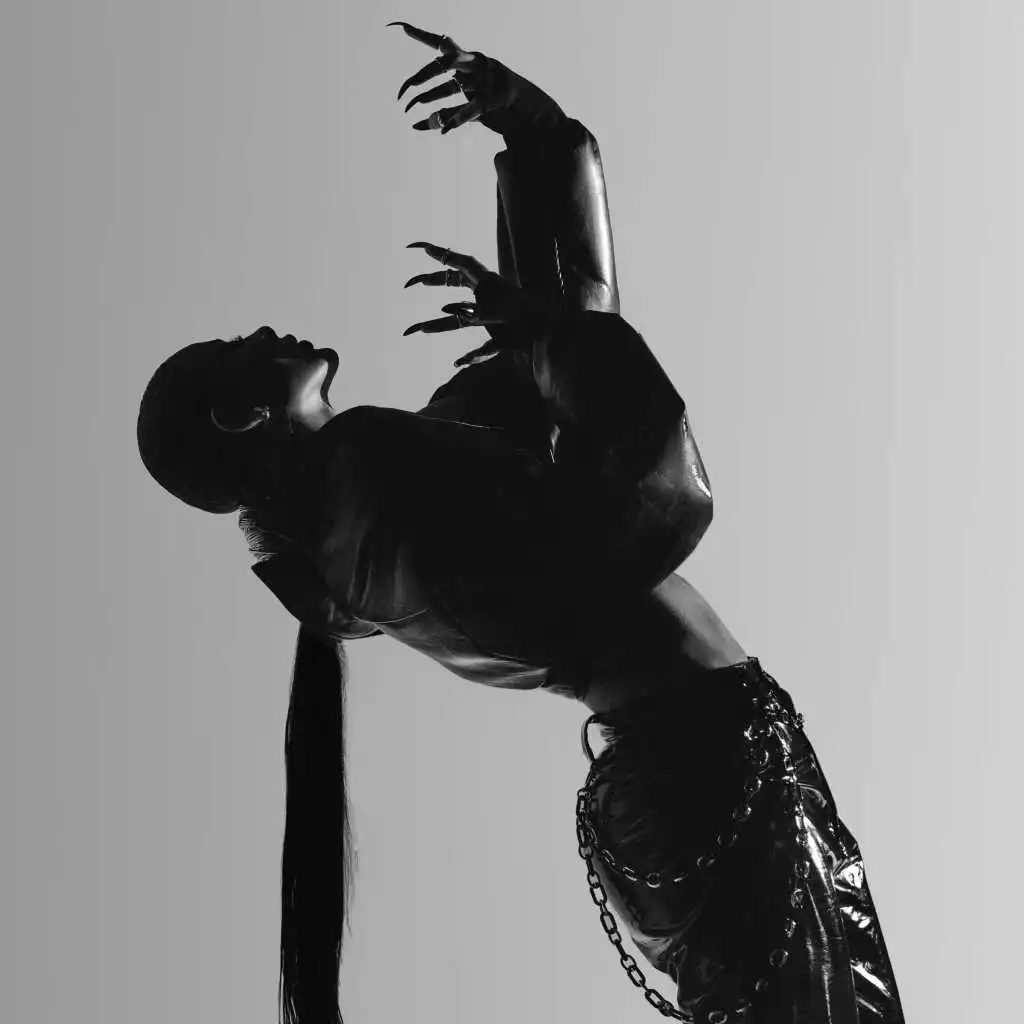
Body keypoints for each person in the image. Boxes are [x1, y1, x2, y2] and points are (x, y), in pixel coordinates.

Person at [136, 23, 905, 1024]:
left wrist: (535, 134)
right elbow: (651, 498)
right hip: (703, 771)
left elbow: (563, 346)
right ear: (238, 414)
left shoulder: (369, 501)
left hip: (712, 762)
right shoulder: (368, 499)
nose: (263, 331)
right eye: (236, 347)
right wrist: (543, 328)